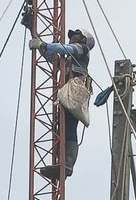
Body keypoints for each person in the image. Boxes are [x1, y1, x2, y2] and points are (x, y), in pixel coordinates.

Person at [29, 28, 95, 178]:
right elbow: (51, 56)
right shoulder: (69, 58)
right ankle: (61, 163)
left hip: (75, 91)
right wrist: (37, 39)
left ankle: (68, 163)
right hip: (67, 92)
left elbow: (64, 48)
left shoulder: (82, 50)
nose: (71, 37)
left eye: (75, 35)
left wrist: (44, 44)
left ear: (83, 39)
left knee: (70, 125)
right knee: (61, 126)